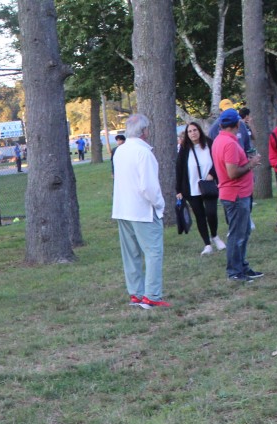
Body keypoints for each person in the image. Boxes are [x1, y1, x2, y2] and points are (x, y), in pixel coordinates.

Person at [111, 114, 169, 309]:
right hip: (142, 210)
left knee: (131, 254)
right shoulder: (143, 153)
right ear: (144, 131)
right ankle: (152, 295)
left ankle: (136, 293)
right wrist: (159, 204)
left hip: (123, 208)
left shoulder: (120, 151)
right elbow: (149, 187)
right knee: (153, 252)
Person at [211, 108, 264, 283]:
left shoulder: (219, 140)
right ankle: (234, 271)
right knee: (237, 234)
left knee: (243, 231)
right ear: (237, 124)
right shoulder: (229, 144)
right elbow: (232, 172)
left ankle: (241, 266)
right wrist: (251, 163)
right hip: (236, 194)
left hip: (235, 193)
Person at [175, 122, 226, 256]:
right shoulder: (184, 148)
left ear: (200, 131)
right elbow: (179, 169)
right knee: (200, 216)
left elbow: (218, 161)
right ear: (187, 134)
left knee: (211, 212)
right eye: (190, 131)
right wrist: (178, 190)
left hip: (208, 185)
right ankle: (207, 244)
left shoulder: (210, 143)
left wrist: (212, 174)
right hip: (191, 188)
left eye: (195, 130)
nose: (193, 133)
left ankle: (215, 235)